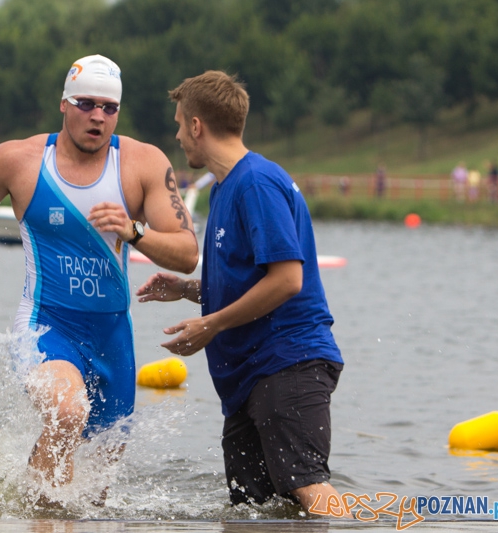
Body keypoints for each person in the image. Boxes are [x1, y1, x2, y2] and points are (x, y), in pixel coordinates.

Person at [0, 54, 198, 490]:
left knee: (96, 492)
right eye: (86, 104)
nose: (97, 117)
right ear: (64, 104)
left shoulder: (143, 164)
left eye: (109, 108)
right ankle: (39, 517)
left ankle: (26, 505)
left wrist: (134, 231)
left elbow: (186, 253)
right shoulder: (18, 160)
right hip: (47, 324)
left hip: (112, 337)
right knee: (67, 412)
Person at [136, 71, 347, 516]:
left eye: (179, 123)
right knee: (254, 510)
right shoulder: (225, 188)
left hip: (288, 363)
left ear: (197, 125)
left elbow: (288, 280)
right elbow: (250, 279)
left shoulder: (256, 183)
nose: (177, 135)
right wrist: (190, 290)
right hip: (251, 379)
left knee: (309, 491)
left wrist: (210, 324)